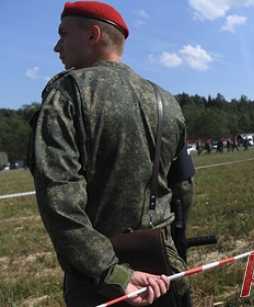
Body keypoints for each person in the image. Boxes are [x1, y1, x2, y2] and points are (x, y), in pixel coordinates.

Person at [28, 1, 189, 306]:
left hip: (103, 284)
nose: (56, 46)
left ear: (93, 35)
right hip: (164, 270)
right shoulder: (166, 100)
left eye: (63, 34)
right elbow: (183, 188)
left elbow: (58, 199)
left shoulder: (67, 94)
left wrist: (112, 273)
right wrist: (175, 248)